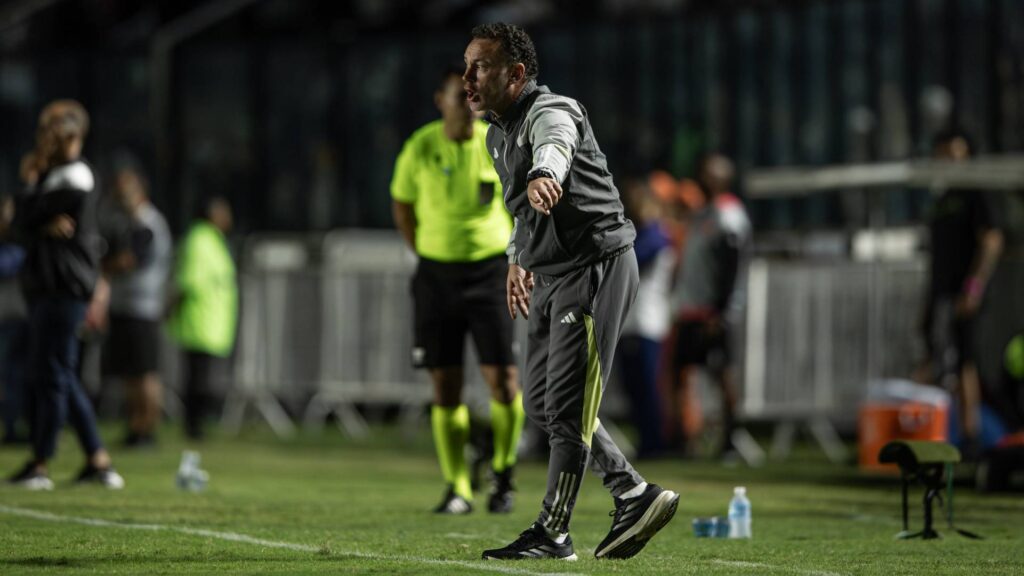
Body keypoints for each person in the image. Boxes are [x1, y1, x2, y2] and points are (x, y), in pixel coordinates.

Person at [463, 23, 679, 561]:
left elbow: (554, 147)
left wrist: (544, 173)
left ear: (516, 74)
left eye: (480, 67)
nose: (467, 78)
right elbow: (520, 209)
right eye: (466, 66)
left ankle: (554, 531)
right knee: (539, 400)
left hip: (594, 266)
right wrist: (517, 258)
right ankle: (631, 490)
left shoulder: (549, 110)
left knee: (566, 402)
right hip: (552, 274)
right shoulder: (495, 133)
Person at [391, 66, 525, 515]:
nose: (469, 105)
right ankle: (458, 487)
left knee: (504, 381)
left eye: (475, 96)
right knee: (444, 385)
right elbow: (402, 203)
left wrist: (517, 258)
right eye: (460, 95)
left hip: (488, 274)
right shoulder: (421, 146)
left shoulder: (495, 142)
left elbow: (519, 201)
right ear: (441, 100)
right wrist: (424, 249)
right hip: (436, 277)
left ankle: (503, 474)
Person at [7, 99, 124, 490]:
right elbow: (20, 225)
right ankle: (98, 460)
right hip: (51, 287)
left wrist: (28, 193)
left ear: (69, 134)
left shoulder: (73, 176)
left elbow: (18, 219)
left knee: (52, 376)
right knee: (59, 375)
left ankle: (41, 463)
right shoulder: (55, 176)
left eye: (50, 129)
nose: (44, 137)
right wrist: (34, 216)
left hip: (63, 288)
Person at [921, 129, 1005, 457]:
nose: (950, 160)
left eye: (956, 154)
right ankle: (940, 432)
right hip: (940, 292)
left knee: (966, 358)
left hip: (967, 293)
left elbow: (992, 240)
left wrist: (973, 287)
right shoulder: (941, 197)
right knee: (937, 358)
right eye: (944, 154)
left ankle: (971, 435)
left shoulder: (975, 192)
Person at [669, 153, 751, 458]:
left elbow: (733, 264)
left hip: (712, 312)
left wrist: (721, 310)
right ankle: (684, 440)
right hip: (690, 308)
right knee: (681, 373)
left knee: (722, 374)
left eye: (706, 175)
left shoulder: (728, 214)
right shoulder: (704, 214)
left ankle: (729, 440)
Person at [101, 162, 172, 447]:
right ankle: (135, 427)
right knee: (130, 373)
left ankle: (148, 429)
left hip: (143, 308)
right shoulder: (130, 222)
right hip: (125, 307)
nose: (120, 198)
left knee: (145, 373)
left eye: (125, 192)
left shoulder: (148, 223)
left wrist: (104, 265)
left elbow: (130, 261)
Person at [167, 195, 237, 441]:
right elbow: (188, 281)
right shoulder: (200, 239)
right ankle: (193, 428)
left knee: (201, 379)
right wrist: (171, 308)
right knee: (197, 380)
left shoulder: (212, 239)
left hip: (211, 322)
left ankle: (196, 426)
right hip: (200, 321)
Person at [616, 179, 673, 458]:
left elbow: (631, 262)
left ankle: (656, 441)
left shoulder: (656, 236)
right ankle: (646, 439)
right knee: (633, 387)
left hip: (647, 321)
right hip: (632, 321)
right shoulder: (641, 234)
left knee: (648, 386)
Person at [0, 194, 30, 444]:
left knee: (17, 375)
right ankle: (11, 427)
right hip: (9, 317)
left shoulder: (22, 241)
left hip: (19, 316)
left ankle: (19, 426)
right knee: (10, 375)